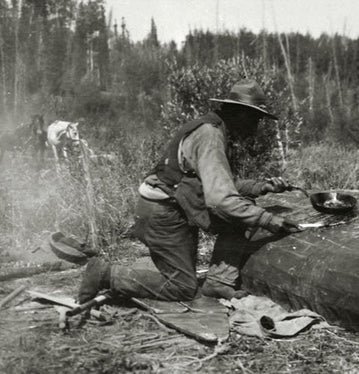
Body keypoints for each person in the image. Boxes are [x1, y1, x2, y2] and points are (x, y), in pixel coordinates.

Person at [78, 79, 302, 303]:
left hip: (173, 208)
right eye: (256, 118)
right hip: (164, 214)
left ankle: (218, 282)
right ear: (240, 114)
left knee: (242, 214)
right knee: (181, 287)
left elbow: (218, 184)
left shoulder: (213, 130)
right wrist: (271, 220)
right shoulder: (210, 137)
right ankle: (107, 274)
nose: (256, 126)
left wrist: (260, 186)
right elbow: (222, 200)